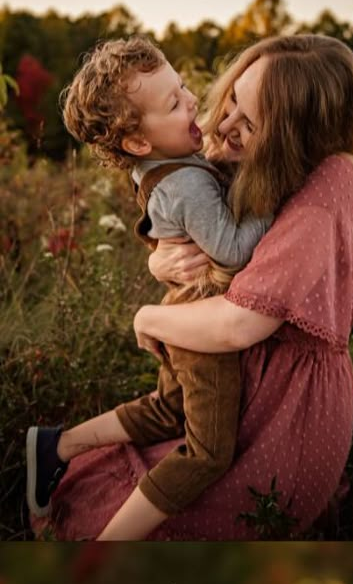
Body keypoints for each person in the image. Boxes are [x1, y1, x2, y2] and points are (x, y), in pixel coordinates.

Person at [41, 34, 353, 541]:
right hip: (237, 358)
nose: (221, 125)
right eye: (231, 103)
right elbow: (186, 228)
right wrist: (161, 260)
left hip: (282, 398)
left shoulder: (327, 185)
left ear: (295, 134)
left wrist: (146, 317)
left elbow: (239, 322)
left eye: (248, 122)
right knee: (176, 426)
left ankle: (94, 513)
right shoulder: (243, 159)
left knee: (196, 466)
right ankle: (65, 457)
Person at [26, 37, 271, 541]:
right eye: (173, 101)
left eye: (182, 85)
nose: (192, 99)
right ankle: (114, 540)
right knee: (207, 453)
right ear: (139, 142)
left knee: (168, 409)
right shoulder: (184, 182)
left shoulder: (162, 163)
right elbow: (231, 250)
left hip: (181, 310)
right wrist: (272, 199)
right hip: (201, 323)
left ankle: (56, 445)